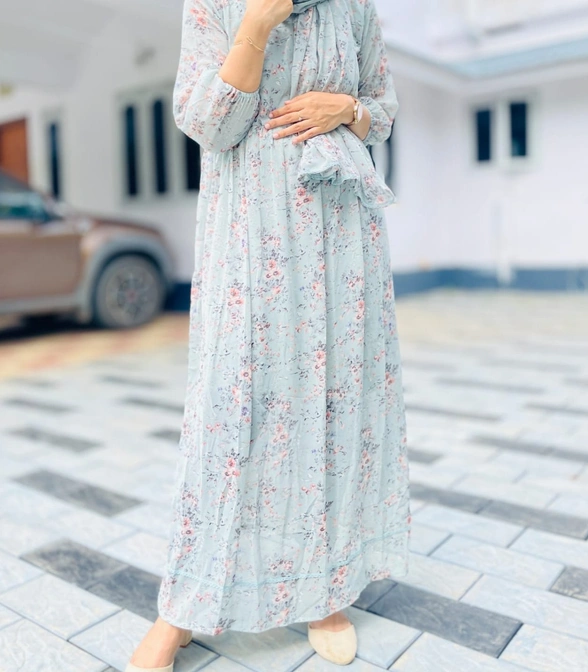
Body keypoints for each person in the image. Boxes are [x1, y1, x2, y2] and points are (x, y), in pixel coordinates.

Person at [126, 0, 410, 669]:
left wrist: (347, 110)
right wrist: (256, 24)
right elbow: (207, 123)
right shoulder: (213, 4)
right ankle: (185, 604)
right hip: (249, 237)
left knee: (333, 409)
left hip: (341, 238)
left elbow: (384, 110)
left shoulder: (353, 7)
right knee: (230, 418)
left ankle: (325, 591)